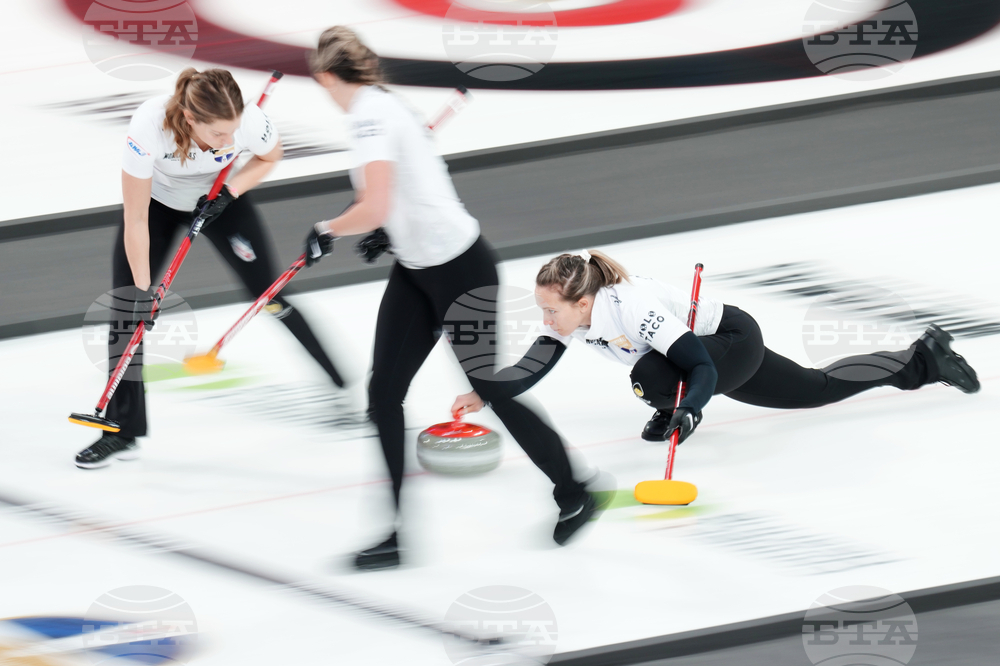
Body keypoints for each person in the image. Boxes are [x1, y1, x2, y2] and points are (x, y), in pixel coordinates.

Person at [303, 26, 596, 571]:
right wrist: (385, 229)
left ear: (325, 77)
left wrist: (328, 229)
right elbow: (405, 193)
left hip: (460, 270)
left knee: (491, 388)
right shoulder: (386, 106)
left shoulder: (369, 115)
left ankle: (575, 488)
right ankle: (394, 535)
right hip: (417, 270)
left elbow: (375, 202)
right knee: (384, 393)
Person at [75, 68, 347, 469]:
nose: (228, 141)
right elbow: (135, 219)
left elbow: (271, 156)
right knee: (128, 306)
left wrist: (231, 191)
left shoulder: (248, 120)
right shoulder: (149, 127)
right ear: (190, 119)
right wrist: (144, 292)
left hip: (220, 201)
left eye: (232, 132)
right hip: (158, 207)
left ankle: (340, 384)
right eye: (218, 134)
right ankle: (120, 431)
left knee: (268, 294)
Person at [452, 250, 981, 445]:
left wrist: (687, 409)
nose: (545, 321)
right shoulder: (569, 318)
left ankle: (670, 404)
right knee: (814, 389)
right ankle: (923, 359)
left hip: (731, 341)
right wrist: (485, 392)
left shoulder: (632, 307)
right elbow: (532, 365)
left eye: (551, 311)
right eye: (543, 310)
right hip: (705, 355)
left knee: (652, 379)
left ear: (583, 301)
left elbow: (700, 365)